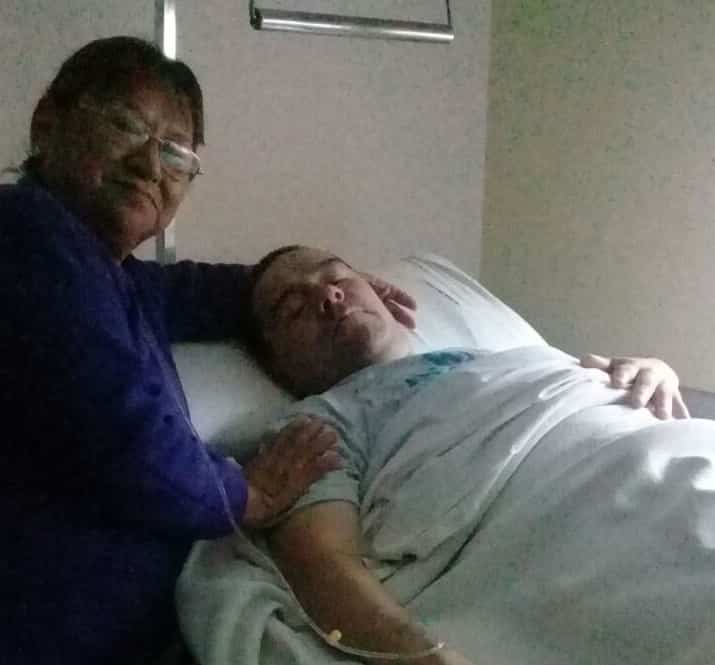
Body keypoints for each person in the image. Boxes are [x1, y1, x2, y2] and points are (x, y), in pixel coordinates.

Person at [0, 39, 415, 665]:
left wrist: (326, 280)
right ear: (48, 123)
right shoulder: (27, 236)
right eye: (125, 125)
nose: (150, 164)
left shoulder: (115, 275)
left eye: (176, 153)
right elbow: (124, 435)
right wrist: (246, 495)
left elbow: (212, 290)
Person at [179, 245, 700, 665]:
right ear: (274, 364)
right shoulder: (319, 423)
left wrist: (649, 372)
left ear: (383, 295)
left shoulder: (503, 356)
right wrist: (425, 657)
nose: (329, 296)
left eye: (337, 277)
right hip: (590, 514)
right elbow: (323, 561)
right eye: (293, 307)